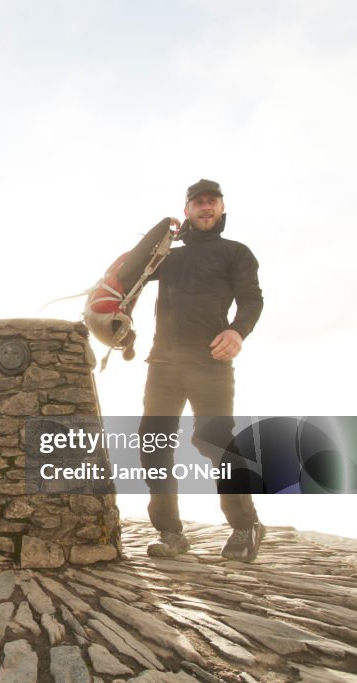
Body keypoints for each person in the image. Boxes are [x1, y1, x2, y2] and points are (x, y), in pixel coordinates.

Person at [138, 179, 266, 562]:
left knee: (213, 440)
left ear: (222, 207)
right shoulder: (169, 257)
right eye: (198, 203)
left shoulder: (235, 253)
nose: (205, 207)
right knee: (153, 443)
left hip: (210, 361)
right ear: (187, 210)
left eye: (212, 202)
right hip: (162, 363)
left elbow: (251, 300)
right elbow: (128, 277)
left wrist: (237, 331)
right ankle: (170, 533)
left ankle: (246, 525)